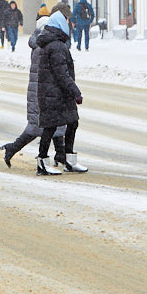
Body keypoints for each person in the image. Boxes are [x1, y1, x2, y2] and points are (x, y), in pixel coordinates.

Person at [0, 16, 65, 170]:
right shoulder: (41, 49)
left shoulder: (41, 46)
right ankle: (13, 148)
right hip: (40, 93)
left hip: (43, 92)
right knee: (37, 127)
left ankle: (60, 155)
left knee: (55, 123)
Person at [35, 9, 87, 174]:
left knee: (72, 122)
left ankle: (69, 160)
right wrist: (75, 92)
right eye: (67, 20)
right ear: (60, 23)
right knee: (50, 127)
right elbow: (61, 74)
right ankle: (42, 162)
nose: (70, 24)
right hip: (54, 94)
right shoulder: (56, 46)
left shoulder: (55, 44)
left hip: (56, 93)